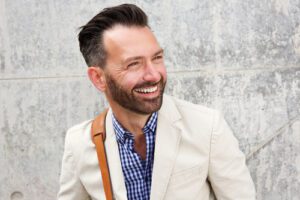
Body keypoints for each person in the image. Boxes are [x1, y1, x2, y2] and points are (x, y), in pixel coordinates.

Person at [58, 3, 255, 200]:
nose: (153, 75)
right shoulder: (79, 143)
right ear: (98, 78)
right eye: (133, 64)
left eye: (157, 57)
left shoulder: (208, 127)